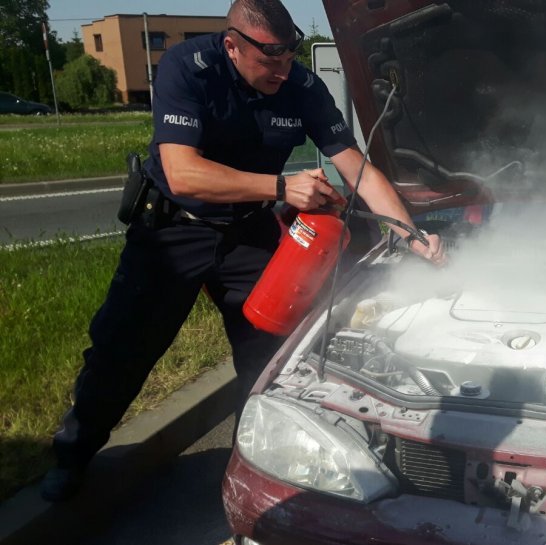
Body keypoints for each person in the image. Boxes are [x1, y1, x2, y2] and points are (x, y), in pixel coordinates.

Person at [40, 0, 445, 502]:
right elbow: (183, 173)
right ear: (232, 46)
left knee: (273, 353)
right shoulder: (188, 67)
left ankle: (251, 461)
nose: (283, 71)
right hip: (173, 230)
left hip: (247, 232)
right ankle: (72, 456)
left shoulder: (301, 86)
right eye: (269, 61)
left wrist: (410, 235)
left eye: (289, 58)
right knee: (123, 348)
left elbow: (355, 166)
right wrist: (282, 186)